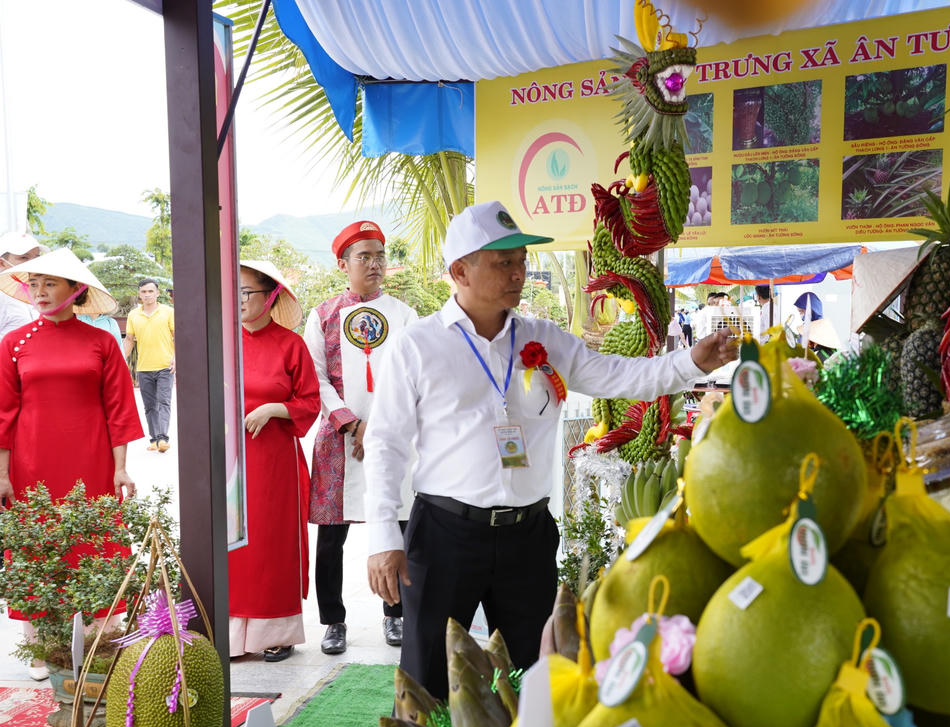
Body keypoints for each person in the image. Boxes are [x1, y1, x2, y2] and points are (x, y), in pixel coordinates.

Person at [363, 201, 739, 697]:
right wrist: (383, 537)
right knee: (429, 675)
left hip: (527, 535)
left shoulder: (541, 337)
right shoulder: (416, 345)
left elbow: (616, 375)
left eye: (521, 260)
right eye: (503, 263)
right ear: (460, 271)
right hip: (444, 533)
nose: (518, 273)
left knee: (540, 676)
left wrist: (691, 362)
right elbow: (386, 442)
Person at [0, 249, 143, 680]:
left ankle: (100, 639)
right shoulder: (14, 342)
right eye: (34, 284)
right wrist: (2, 474)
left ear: (75, 290)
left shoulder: (102, 342)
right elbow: (3, 413)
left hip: (91, 460)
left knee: (94, 544)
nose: (39, 292)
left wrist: (121, 467)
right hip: (31, 464)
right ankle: (42, 646)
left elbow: (119, 408)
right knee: (37, 545)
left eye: (50, 283)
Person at [303, 221, 418, 655]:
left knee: (399, 526)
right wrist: (353, 423)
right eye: (363, 257)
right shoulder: (323, 315)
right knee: (331, 538)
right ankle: (333, 620)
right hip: (339, 440)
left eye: (379, 256)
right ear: (342, 264)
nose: (374, 264)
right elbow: (314, 377)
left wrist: (381, 426)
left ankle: (396, 613)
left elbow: (415, 375)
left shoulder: (405, 315)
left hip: (392, 437)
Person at [229, 260, 321, 662]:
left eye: (246, 292)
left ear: (269, 297)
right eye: (234, 292)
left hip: (273, 461)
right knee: (230, 542)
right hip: (229, 457)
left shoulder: (290, 344)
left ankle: (276, 632)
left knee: (271, 541)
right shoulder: (222, 343)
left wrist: (273, 409)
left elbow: (309, 401)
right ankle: (231, 634)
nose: (239, 300)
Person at [123, 278, 175, 452]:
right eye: (144, 292)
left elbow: (177, 336)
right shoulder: (133, 315)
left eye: (150, 291)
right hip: (144, 367)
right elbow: (129, 340)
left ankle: (162, 438)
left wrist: (177, 357)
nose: (147, 295)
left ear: (157, 293)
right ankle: (154, 439)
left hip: (165, 366)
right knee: (149, 405)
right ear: (139, 294)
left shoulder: (168, 312)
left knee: (164, 401)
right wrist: (121, 361)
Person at [0, 233, 41, 336]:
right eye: (24, 258)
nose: (33, 263)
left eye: (36, 258)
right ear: (2, 263)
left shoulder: (39, 293)